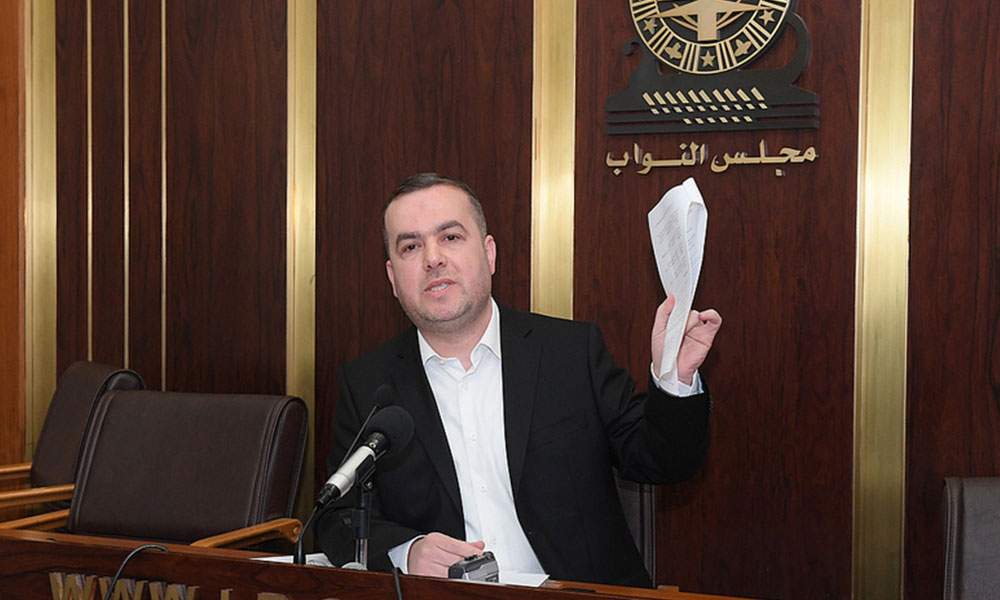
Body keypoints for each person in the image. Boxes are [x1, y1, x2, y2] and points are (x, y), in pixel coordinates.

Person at [315, 173, 722, 587]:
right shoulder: (368, 384)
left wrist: (675, 378)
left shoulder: (570, 353)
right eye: (410, 246)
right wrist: (408, 550)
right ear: (392, 278)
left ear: (489, 253)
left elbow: (662, 460)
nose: (432, 258)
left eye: (451, 237)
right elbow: (335, 518)